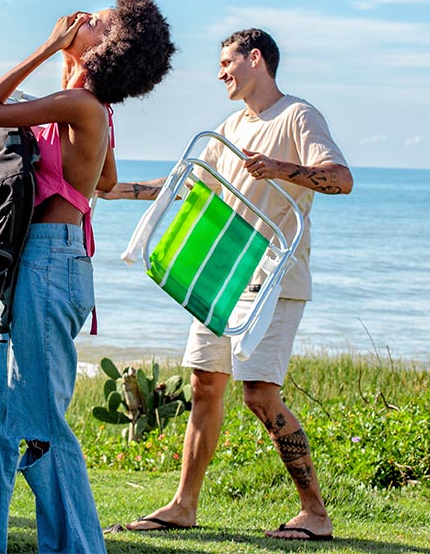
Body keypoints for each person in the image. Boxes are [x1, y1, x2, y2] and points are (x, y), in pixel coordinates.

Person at [104, 28, 352, 541]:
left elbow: (341, 178)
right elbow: (183, 184)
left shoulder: (298, 116)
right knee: (204, 384)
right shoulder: (230, 127)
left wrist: (281, 168)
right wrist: (113, 190)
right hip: (223, 273)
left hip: (274, 276)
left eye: (226, 63)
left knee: (260, 394)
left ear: (255, 58)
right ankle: (183, 506)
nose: (220, 74)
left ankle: (315, 513)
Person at [0, 0, 176, 554]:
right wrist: (67, 63)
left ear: (107, 50)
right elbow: (105, 181)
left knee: (42, 427)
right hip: (35, 263)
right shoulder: (86, 106)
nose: (80, 19)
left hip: (51, 264)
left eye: (95, 22)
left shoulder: (80, 104)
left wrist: (49, 46)